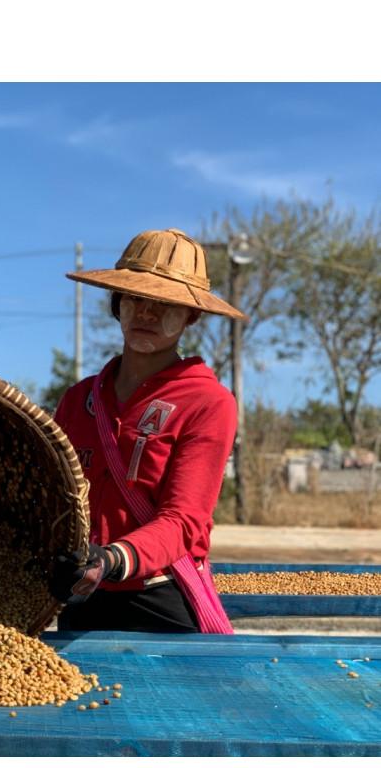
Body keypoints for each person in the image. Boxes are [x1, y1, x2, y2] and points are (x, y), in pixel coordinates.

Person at [48, 228, 247, 634]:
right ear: (116, 303)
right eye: (135, 298)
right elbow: (52, 496)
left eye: (165, 304)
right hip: (82, 594)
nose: (147, 313)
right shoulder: (78, 399)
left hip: (157, 593)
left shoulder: (209, 403)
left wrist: (110, 559)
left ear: (192, 316)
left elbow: (184, 520)